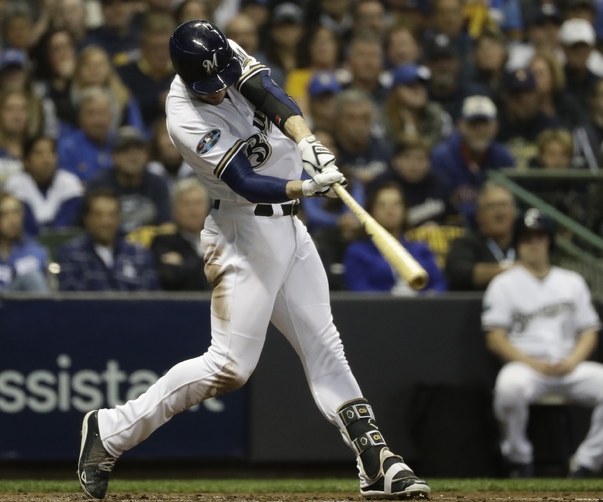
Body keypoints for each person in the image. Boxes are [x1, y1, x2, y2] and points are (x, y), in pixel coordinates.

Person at [76, 20, 430, 501]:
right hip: (242, 232)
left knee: (325, 346)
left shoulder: (223, 52)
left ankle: (376, 461)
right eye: (209, 86)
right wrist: (306, 186)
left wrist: (306, 142)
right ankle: (110, 429)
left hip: (289, 228)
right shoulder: (183, 116)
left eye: (221, 78)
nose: (220, 90)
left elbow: (267, 92)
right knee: (230, 367)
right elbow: (244, 181)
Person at [483, 208, 603, 478]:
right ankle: (519, 460)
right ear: (517, 242)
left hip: (568, 365)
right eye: (526, 238)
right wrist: (531, 363)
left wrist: (573, 361)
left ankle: (587, 463)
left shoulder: (571, 281)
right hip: (526, 366)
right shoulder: (502, 284)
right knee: (508, 388)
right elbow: (495, 338)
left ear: (549, 241)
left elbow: (589, 331)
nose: (533, 243)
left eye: (539, 237)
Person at [343, 181, 447, 293]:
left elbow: (440, 284)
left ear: (405, 210)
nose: (390, 211)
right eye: (382, 205)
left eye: (396, 204)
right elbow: (358, 289)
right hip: (378, 304)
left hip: (421, 303)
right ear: (371, 211)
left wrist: (426, 298)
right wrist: (392, 300)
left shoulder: (422, 249)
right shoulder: (357, 252)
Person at [431, 95, 515, 223]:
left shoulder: (503, 158)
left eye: (485, 124)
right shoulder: (442, 157)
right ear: (461, 125)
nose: (480, 130)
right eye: (473, 124)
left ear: (495, 126)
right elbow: (440, 205)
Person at [57, 189, 159, 292]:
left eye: (112, 215)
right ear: (87, 219)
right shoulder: (71, 255)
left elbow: (152, 298)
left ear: (119, 218)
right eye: (98, 215)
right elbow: (72, 297)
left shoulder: (140, 256)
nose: (106, 222)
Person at [86, 126, 172, 234]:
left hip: (152, 242)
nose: (133, 156)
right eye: (125, 150)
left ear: (147, 155)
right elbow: (88, 226)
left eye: (138, 149)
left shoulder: (157, 183)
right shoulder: (99, 184)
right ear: (114, 156)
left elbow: (167, 225)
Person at [367, 136, 458, 227]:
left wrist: (440, 226)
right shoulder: (380, 186)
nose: (413, 164)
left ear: (429, 162)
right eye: (407, 157)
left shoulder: (440, 184)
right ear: (395, 160)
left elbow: (454, 219)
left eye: (420, 158)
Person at [4, 136, 84, 236]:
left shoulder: (70, 182)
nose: (47, 159)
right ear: (26, 161)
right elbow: (28, 227)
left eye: (51, 153)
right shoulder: (16, 184)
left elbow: (64, 224)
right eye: (39, 153)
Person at [445, 182, 515, 291]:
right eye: (491, 207)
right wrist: (516, 270)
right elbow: (458, 273)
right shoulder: (465, 243)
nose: (499, 213)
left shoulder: (525, 240)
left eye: (503, 205)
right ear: (479, 214)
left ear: (513, 211)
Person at [116, 13, 177, 129]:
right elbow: (124, 107)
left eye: (165, 47)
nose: (161, 54)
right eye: (155, 48)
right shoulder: (126, 73)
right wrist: (158, 101)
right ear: (142, 47)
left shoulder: (182, 72)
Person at [151, 178, 211, 292]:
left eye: (198, 203)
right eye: (186, 204)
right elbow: (170, 276)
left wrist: (185, 263)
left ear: (207, 209)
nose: (193, 210)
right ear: (174, 211)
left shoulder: (222, 241)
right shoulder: (163, 243)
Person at [380, 63, 452, 148]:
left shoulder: (437, 114)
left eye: (422, 86)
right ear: (395, 91)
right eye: (411, 86)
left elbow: (440, 143)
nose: (419, 91)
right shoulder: (381, 120)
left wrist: (420, 142)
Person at [57, 87, 116, 182]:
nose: (97, 120)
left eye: (102, 113)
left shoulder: (121, 144)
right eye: (91, 114)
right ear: (80, 117)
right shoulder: (67, 149)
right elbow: (68, 186)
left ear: (111, 116)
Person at [0, 192, 50, 293]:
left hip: (26, 302)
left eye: (16, 213)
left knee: (32, 278)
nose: (12, 220)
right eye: (4, 214)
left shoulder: (37, 251)